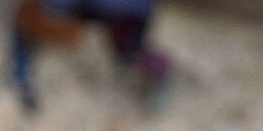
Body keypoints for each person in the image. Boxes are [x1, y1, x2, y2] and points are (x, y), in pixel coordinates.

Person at [10, 0, 173, 111]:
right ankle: (20, 73)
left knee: (128, 55)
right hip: (120, 13)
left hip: (128, 15)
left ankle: (160, 76)